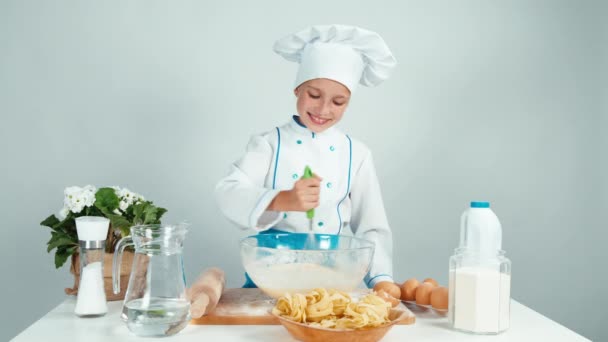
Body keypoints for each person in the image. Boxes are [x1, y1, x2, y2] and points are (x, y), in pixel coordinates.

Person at [215, 24, 397, 290]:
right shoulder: (268, 144)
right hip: (269, 276)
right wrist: (282, 199)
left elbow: (372, 224)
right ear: (297, 90)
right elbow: (228, 192)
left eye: (338, 102)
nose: (323, 109)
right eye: (314, 95)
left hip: (332, 277)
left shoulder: (356, 153)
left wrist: (382, 279)